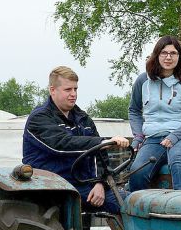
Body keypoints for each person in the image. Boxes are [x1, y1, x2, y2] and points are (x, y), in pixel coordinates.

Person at [23, 66, 130, 213]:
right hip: (52, 187)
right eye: (68, 90)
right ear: (52, 90)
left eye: (75, 89)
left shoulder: (83, 118)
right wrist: (102, 142)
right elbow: (61, 144)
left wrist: (100, 184)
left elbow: (100, 157)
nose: (73, 94)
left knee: (133, 203)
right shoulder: (39, 118)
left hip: (84, 185)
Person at [128, 36, 181, 191]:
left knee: (178, 159)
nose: (168, 57)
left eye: (173, 53)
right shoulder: (143, 81)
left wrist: (174, 136)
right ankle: (141, 212)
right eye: (164, 52)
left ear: (179, 57)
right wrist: (138, 136)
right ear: (157, 55)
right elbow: (134, 110)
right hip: (153, 140)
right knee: (137, 171)